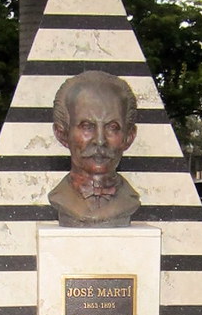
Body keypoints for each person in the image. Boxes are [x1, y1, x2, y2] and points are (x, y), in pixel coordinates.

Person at [48, 70, 141, 227]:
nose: (100, 140)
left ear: (129, 137)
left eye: (112, 127)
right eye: (87, 126)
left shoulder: (130, 200)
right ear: (62, 134)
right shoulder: (59, 197)